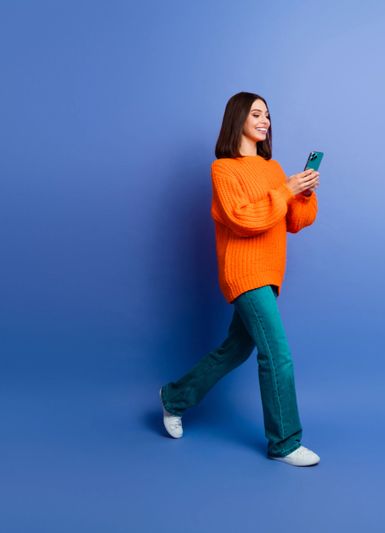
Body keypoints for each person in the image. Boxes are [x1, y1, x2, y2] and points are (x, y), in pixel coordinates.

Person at [158, 91, 321, 467]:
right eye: (256, 114)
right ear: (238, 120)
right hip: (244, 272)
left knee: (236, 348)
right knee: (276, 354)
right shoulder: (224, 169)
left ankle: (173, 398)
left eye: (268, 115)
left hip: (270, 272)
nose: (265, 121)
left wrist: (304, 194)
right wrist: (285, 191)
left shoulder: (273, 168)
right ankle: (284, 442)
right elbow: (243, 219)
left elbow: (293, 221)